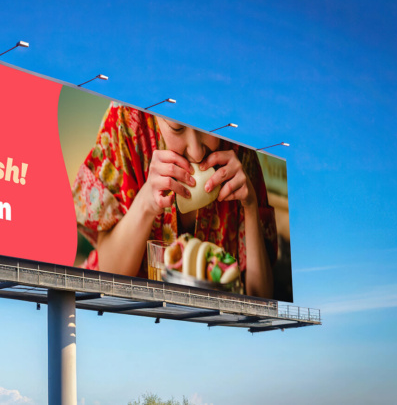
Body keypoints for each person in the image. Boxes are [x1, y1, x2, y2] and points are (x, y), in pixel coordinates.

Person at [72, 103, 277, 298]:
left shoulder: (237, 140)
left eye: (207, 126)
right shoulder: (125, 119)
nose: (196, 152)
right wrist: (145, 204)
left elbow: (261, 298)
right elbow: (108, 277)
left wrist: (250, 206)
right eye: (177, 128)